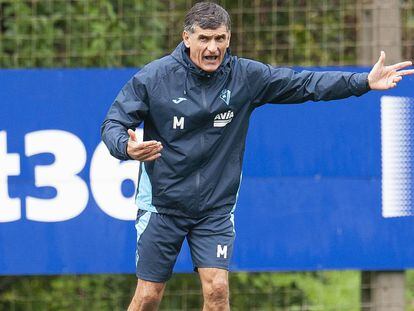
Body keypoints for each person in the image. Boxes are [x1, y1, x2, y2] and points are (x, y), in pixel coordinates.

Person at [101, 2, 414, 310]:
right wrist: (126, 148)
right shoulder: (155, 77)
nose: (213, 48)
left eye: (220, 39)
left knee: (218, 291)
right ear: (186, 38)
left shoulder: (245, 76)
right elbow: (114, 123)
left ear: (229, 39)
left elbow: (304, 84)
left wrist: (363, 82)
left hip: (215, 208)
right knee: (149, 296)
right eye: (204, 39)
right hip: (162, 206)